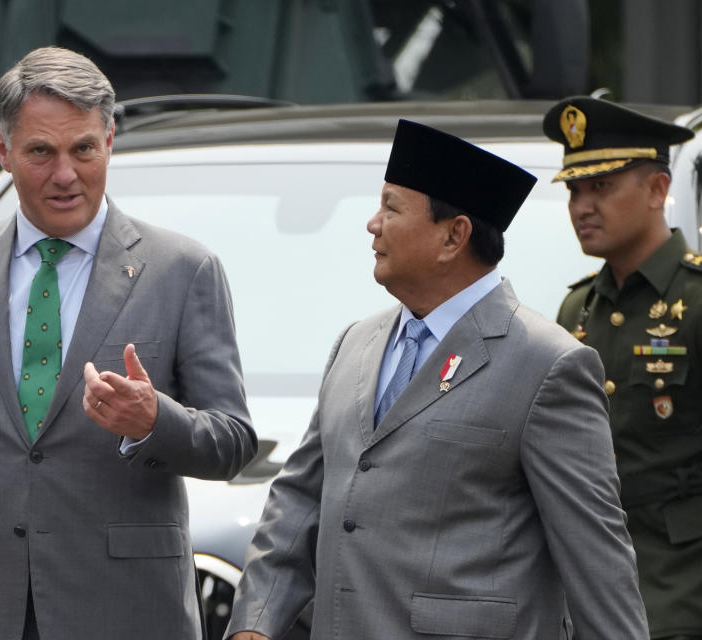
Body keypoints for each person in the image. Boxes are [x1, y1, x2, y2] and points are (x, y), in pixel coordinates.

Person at [0, 46, 257, 640]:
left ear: (109, 139)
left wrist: (154, 421)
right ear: (3, 151)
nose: (65, 174)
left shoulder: (183, 270)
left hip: (125, 617)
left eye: (83, 148)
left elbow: (233, 442)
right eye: (40, 152)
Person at [225, 119, 649, 640]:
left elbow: (596, 559)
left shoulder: (547, 365)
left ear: (454, 236)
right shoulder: (356, 345)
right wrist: (255, 624)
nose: (373, 224)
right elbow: (299, 501)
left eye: (391, 208)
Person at [546, 95, 701, 640]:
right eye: (574, 190)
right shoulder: (576, 310)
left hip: (680, 592)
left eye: (602, 187)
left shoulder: (697, 301)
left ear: (658, 190)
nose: (583, 206)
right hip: (590, 590)